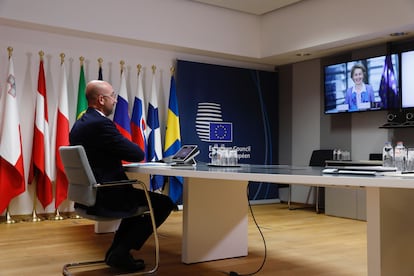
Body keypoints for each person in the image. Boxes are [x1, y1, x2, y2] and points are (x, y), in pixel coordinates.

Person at [70, 80, 175, 272]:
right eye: (112, 96)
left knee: (140, 202)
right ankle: (121, 251)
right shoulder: (101, 124)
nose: (116, 101)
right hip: (107, 195)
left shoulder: (80, 124)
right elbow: (137, 154)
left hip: (90, 195)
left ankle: (117, 252)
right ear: (101, 99)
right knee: (163, 203)